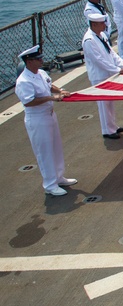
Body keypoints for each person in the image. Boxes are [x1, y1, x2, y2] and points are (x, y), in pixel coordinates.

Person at [14, 46, 76, 196]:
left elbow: (49, 85)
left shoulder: (40, 73)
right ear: (29, 62)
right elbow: (28, 102)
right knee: (44, 152)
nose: (41, 60)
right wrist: (51, 97)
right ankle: (49, 184)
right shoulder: (23, 81)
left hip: (49, 115)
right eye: (38, 59)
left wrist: (59, 91)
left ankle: (59, 176)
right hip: (37, 119)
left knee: (56, 147)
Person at [81, 14, 123, 139]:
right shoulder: (89, 40)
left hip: (107, 73)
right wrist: (117, 70)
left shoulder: (101, 36)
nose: (105, 25)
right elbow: (99, 60)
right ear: (94, 24)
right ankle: (107, 130)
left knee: (109, 102)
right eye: (102, 23)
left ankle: (113, 126)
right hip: (98, 76)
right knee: (103, 104)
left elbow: (111, 53)